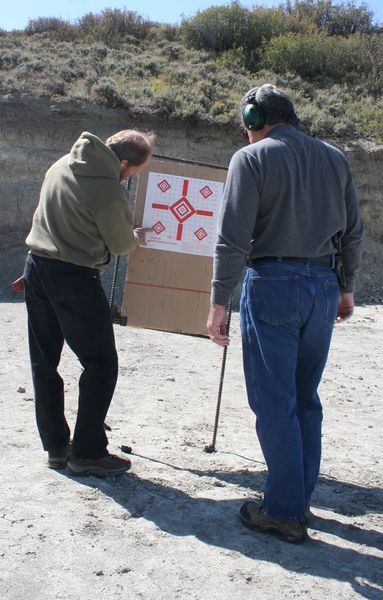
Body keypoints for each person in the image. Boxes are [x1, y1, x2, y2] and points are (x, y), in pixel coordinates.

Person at [207, 84, 363, 544]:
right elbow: (352, 233)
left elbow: (232, 237)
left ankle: (284, 511)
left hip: (273, 285)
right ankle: (298, 497)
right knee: (304, 398)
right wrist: (347, 288)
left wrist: (219, 302)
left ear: (254, 119)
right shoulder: (335, 158)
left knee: (275, 402)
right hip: (324, 286)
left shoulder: (250, 159)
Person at [23, 129, 154, 476]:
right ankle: (88, 453)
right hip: (74, 277)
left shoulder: (61, 164)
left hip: (36, 267)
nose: (132, 178)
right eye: (135, 172)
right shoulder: (108, 188)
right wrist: (134, 237)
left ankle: (56, 447)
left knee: (44, 362)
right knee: (101, 366)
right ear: (123, 163)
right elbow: (121, 244)